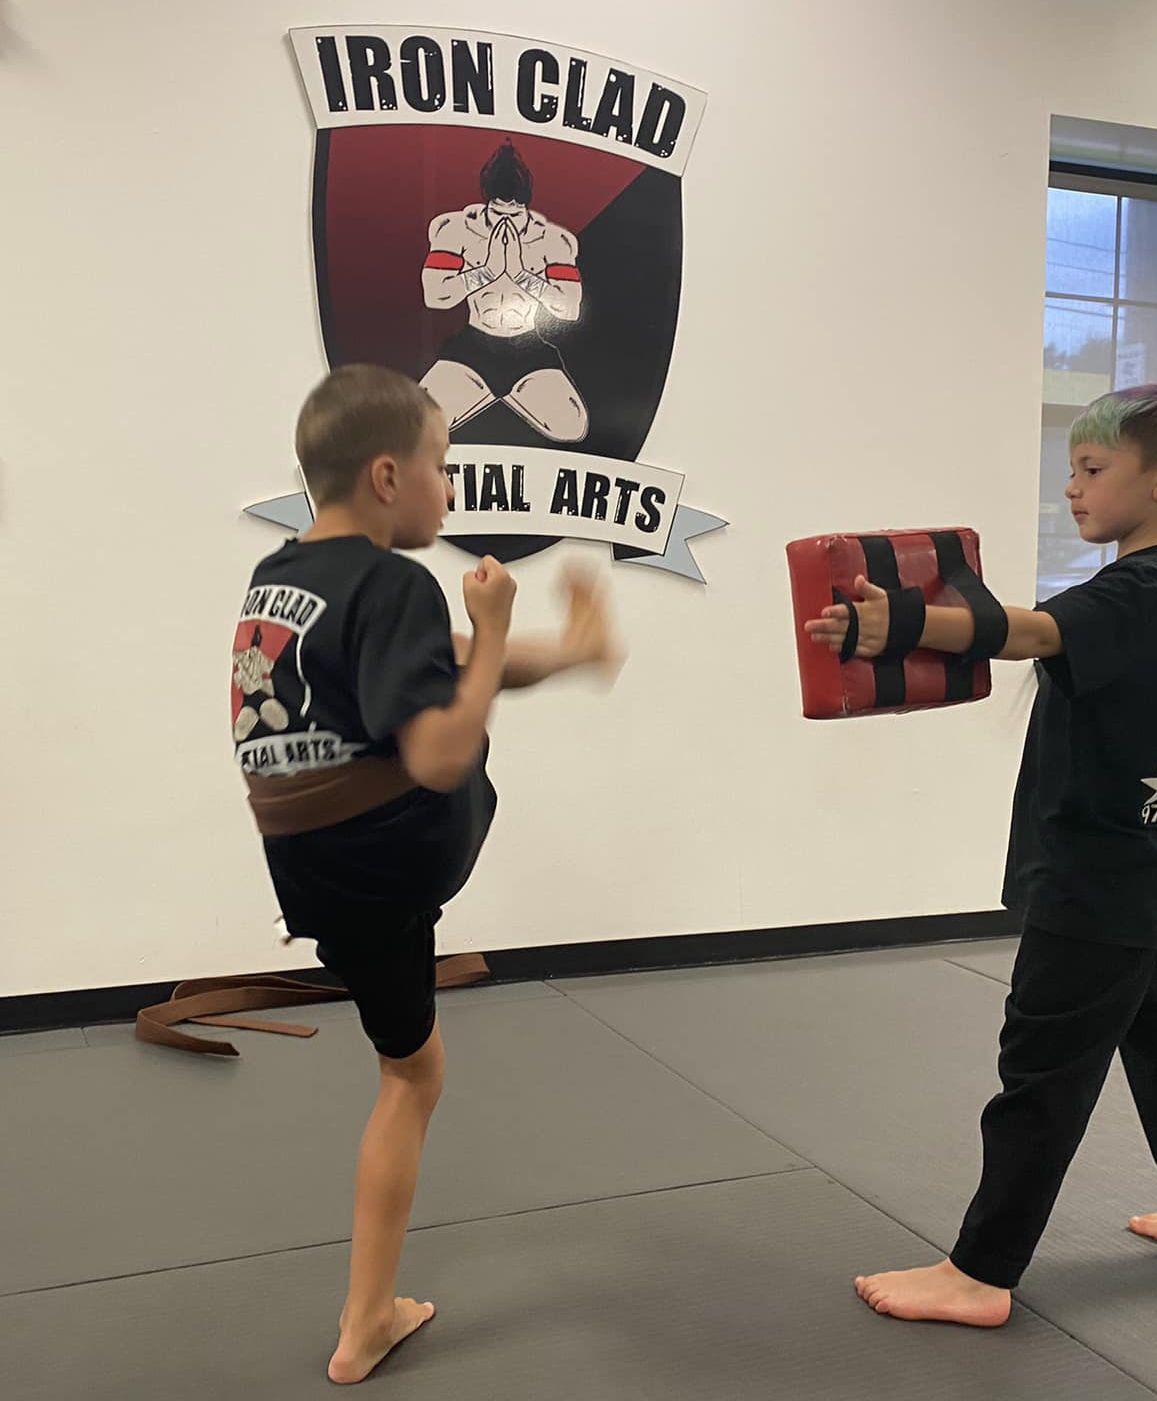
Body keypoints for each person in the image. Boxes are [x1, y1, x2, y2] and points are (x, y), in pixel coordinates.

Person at [806, 381, 1157, 1327]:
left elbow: (1028, 632)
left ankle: (980, 1271)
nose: (1071, 488)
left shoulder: (1138, 585)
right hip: (1141, 862)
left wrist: (893, 621)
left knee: (1041, 1068)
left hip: (1096, 875)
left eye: (1092, 470)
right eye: (1069, 470)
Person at [230, 362, 620, 1383]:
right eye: (446, 469)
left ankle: (572, 648)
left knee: (454, 661)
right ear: (390, 476)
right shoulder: (395, 579)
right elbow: (442, 751)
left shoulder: (286, 574)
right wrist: (496, 632)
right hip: (387, 858)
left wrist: (543, 650)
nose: (452, 491)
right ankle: (368, 1321)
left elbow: (435, 656)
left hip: (306, 866)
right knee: (412, 1074)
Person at [419, 141, 588, 443]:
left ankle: (502, 398)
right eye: (498, 213)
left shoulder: (553, 239)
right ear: (487, 202)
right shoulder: (455, 228)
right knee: (417, 425)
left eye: (515, 213)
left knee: (571, 426)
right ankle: (486, 397)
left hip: (528, 349)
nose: (507, 221)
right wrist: (486, 271)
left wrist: (523, 275)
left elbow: (569, 310)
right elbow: (436, 296)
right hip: (473, 347)